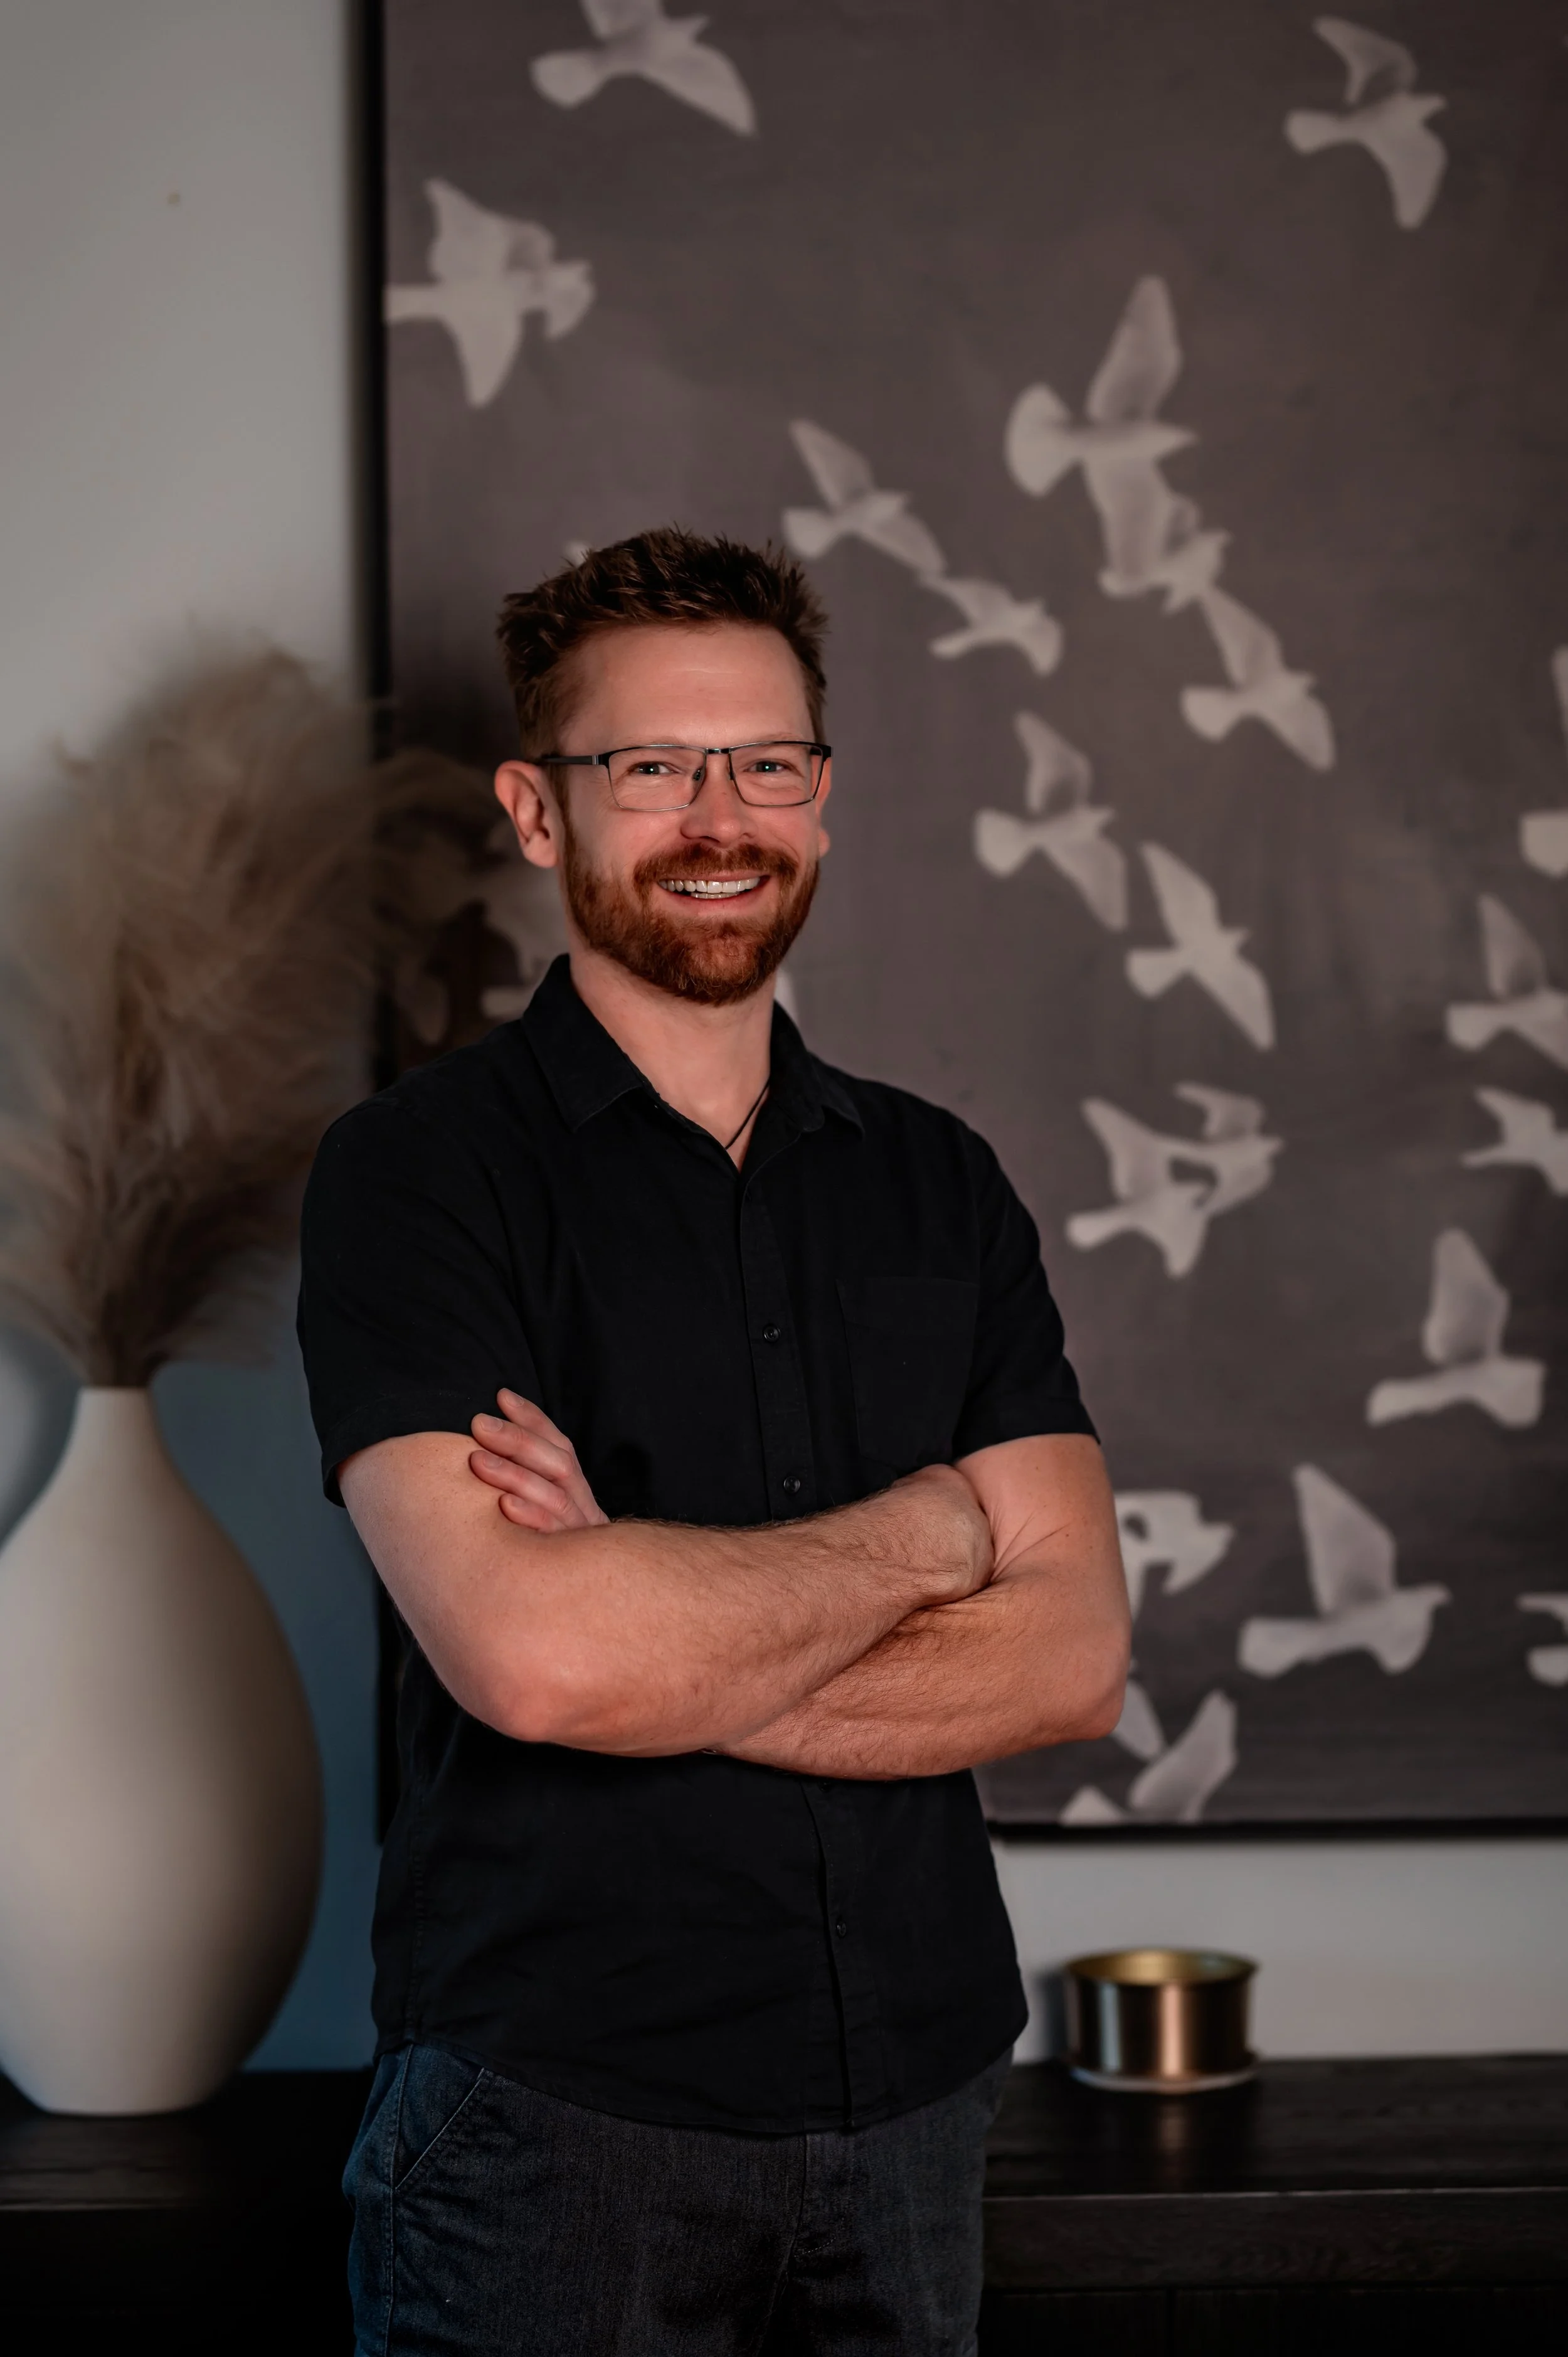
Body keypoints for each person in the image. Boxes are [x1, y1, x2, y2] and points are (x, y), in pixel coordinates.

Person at [298, 526, 1129, 2356]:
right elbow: (531, 1658)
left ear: (820, 798)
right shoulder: (416, 1177)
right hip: (551, 2127)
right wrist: (925, 1535)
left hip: (917, 2109)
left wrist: (651, 1621)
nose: (718, 812)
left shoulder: (941, 1182)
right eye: (651, 765)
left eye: (765, 760)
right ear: (540, 809)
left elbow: (1071, 1658)